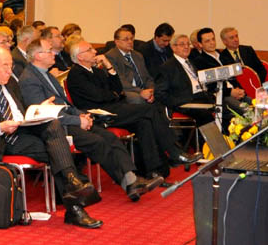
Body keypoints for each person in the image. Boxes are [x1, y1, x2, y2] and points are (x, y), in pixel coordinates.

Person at [0, 46, 103, 228]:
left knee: (53, 125)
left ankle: (73, 184)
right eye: (5, 66)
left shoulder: (10, 83)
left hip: (25, 130)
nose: (10, 70)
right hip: (3, 140)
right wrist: (0, 127)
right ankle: (74, 194)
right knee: (57, 151)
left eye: (11, 65)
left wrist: (40, 110)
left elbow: (23, 111)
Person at [20, 38, 162, 201]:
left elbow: (66, 104)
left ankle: (132, 180)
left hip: (69, 119)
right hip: (56, 127)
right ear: (38, 55)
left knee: (109, 137)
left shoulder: (47, 74)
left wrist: (81, 115)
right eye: (49, 50)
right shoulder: (29, 79)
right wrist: (77, 121)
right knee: (97, 141)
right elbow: (43, 113)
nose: (54, 53)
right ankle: (129, 183)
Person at [66, 39, 201, 179]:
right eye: (89, 49)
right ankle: (174, 152)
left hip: (113, 107)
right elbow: (99, 96)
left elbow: (118, 88)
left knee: (144, 122)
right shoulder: (76, 74)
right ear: (80, 57)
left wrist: (109, 66)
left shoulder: (96, 71)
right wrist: (114, 94)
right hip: (98, 114)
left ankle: (155, 171)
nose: (95, 51)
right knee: (150, 110)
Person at [190, 27, 248, 129]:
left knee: (257, 106)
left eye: (213, 39)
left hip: (235, 93)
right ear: (200, 44)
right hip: (221, 97)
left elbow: (234, 78)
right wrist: (230, 92)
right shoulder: (199, 61)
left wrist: (240, 90)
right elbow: (210, 86)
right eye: (207, 41)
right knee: (247, 111)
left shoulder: (223, 56)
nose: (212, 43)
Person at [154, 34, 217, 126]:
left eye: (188, 44)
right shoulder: (167, 67)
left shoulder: (192, 62)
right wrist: (180, 102)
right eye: (182, 44)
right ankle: (208, 136)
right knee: (205, 115)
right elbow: (160, 93)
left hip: (202, 96)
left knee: (225, 107)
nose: (187, 47)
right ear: (173, 47)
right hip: (185, 102)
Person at [105, 26, 155, 104]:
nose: (130, 42)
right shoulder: (110, 56)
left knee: (161, 94)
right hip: (125, 90)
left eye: (131, 39)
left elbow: (147, 77)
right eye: (126, 39)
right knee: (137, 99)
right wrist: (141, 91)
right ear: (117, 42)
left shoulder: (138, 55)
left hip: (143, 89)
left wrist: (151, 91)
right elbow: (120, 81)